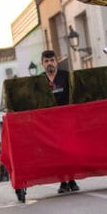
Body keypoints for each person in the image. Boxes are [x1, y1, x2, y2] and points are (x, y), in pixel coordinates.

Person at [41, 50, 80, 194]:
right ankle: (63, 182)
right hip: (49, 123)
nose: (49, 63)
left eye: (52, 60)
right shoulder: (40, 80)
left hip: (67, 120)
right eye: (46, 61)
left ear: (56, 61)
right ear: (42, 64)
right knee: (56, 153)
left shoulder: (66, 76)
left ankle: (72, 180)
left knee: (69, 150)